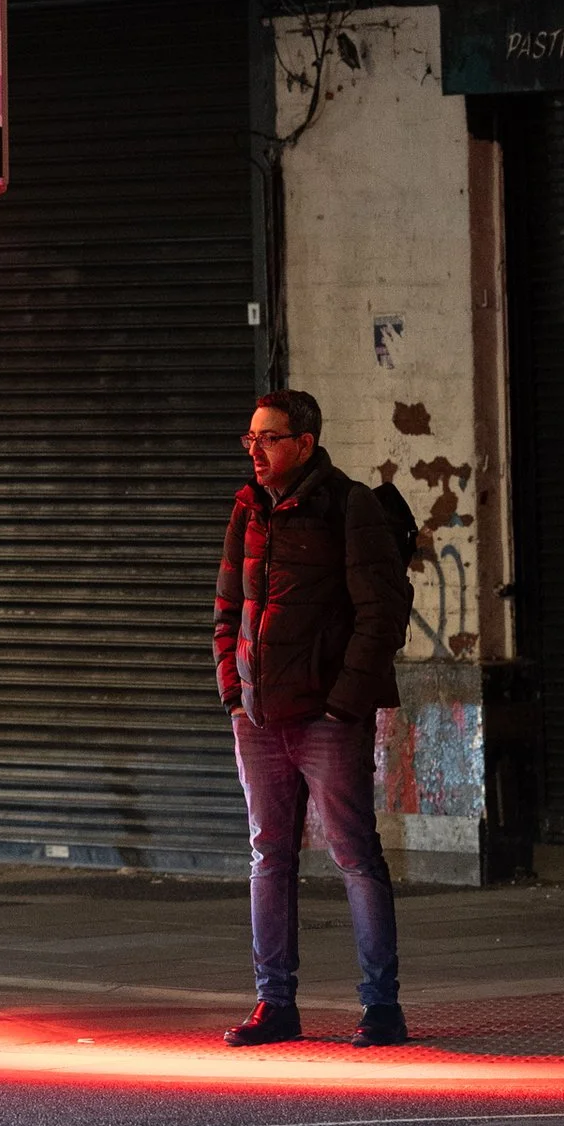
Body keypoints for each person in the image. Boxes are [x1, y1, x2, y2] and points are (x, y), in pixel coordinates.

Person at [214, 385, 415, 1047]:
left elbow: (382, 612)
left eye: (268, 438)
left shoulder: (349, 505)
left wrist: (343, 702)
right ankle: (275, 1004)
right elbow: (225, 608)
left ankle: (381, 1006)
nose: (256, 450)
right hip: (260, 717)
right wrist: (233, 690)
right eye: (251, 438)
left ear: (303, 442)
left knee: (355, 855)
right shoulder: (248, 510)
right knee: (269, 857)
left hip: (327, 718)